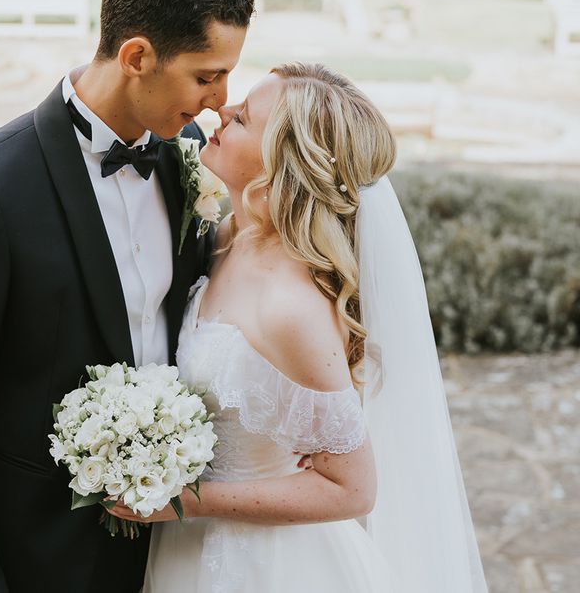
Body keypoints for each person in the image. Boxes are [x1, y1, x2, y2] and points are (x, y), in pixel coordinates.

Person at [0, 0, 254, 593]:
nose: (221, 99)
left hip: (178, 547)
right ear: (136, 57)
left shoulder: (188, 157)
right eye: (206, 74)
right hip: (43, 554)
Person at [110, 63, 489, 592]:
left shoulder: (291, 307)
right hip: (185, 546)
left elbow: (352, 490)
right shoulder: (227, 237)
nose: (220, 111)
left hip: (258, 564)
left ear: (279, 164)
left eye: (242, 117)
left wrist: (182, 499)